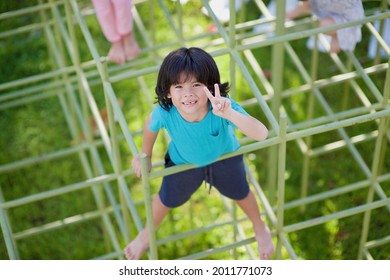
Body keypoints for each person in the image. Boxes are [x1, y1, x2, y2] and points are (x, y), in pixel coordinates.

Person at [124, 47, 274, 260]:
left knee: (242, 193)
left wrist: (229, 113)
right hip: (183, 162)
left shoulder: (222, 107)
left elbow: (262, 134)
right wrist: (145, 154)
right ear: (167, 91)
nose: (188, 93)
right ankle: (145, 236)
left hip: (225, 158)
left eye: (196, 85)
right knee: (164, 200)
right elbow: (150, 124)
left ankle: (259, 226)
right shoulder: (165, 113)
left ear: (211, 87)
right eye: (178, 86)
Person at [286, 0, 364, 53]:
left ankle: (336, 36)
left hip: (346, 16)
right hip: (329, 8)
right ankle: (299, 10)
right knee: (311, 6)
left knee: (325, 25)